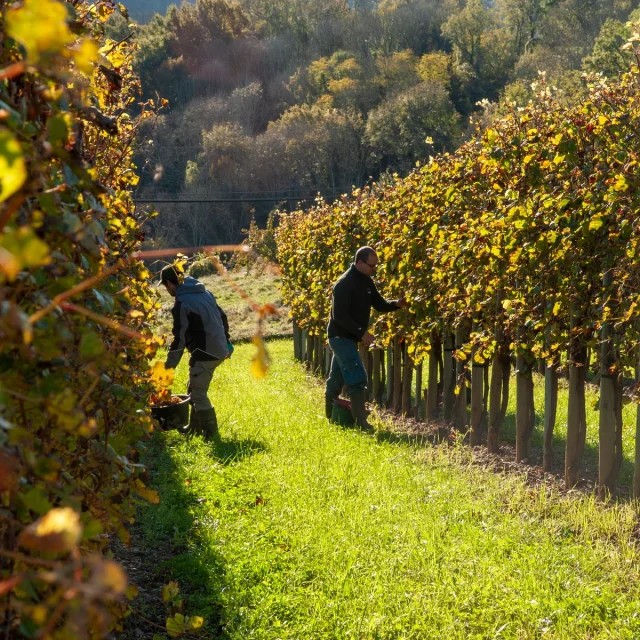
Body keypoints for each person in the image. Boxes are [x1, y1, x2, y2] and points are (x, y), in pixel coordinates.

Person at [325, 246, 407, 431]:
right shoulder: (344, 284)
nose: (375, 269)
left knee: (336, 379)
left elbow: (379, 304)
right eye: (372, 265)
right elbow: (339, 316)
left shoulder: (366, 281)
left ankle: (331, 417)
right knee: (358, 379)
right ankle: (361, 423)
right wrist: (362, 333)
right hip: (340, 336)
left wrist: (396, 304)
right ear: (360, 263)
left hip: (348, 338)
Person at [160, 265, 233, 439]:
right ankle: (195, 428)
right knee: (193, 388)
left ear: (171, 283)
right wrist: (226, 340)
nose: (166, 289)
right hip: (219, 348)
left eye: (165, 285)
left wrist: (169, 366)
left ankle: (211, 435)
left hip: (206, 352)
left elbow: (180, 338)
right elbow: (222, 316)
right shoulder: (205, 293)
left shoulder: (182, 303)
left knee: (198, 395)